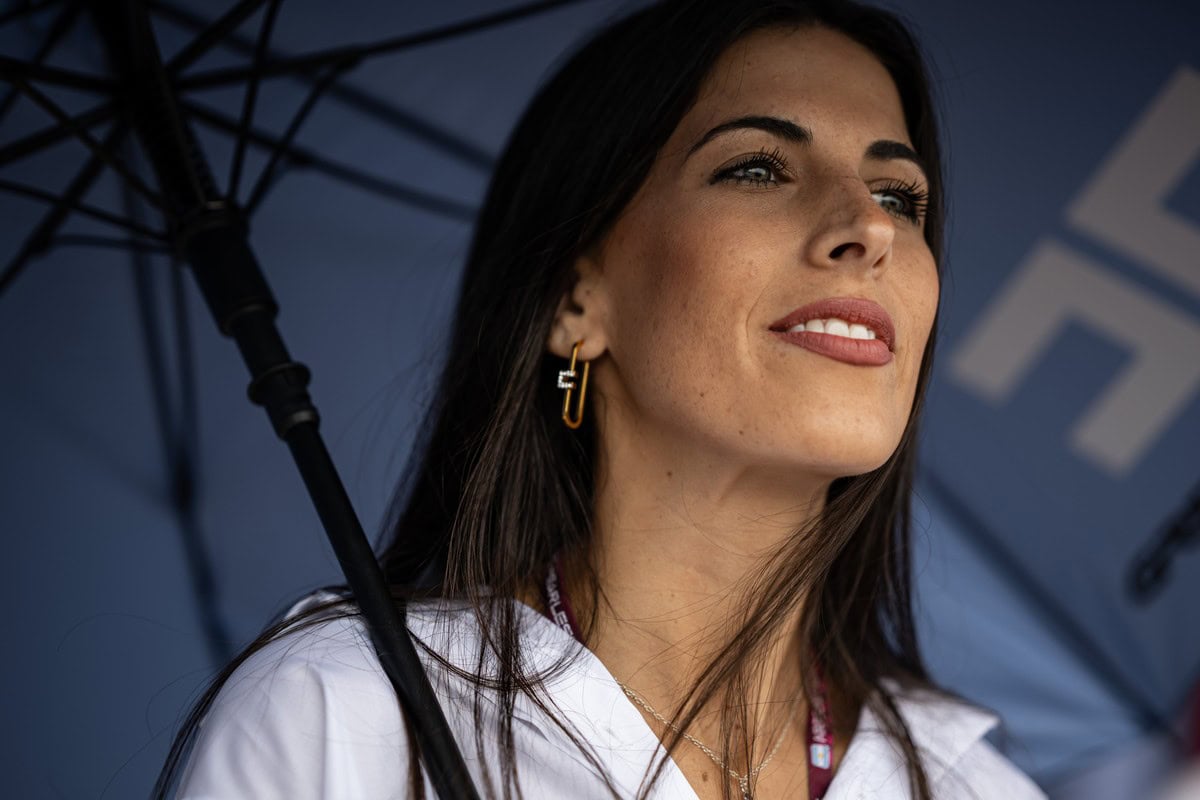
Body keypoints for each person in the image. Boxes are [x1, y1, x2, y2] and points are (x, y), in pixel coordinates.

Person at [158, 1, 1047, 798]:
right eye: (758, 169)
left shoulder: (978, 790)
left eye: (900, 193)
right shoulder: (352, 712)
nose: (871, 226)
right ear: (577, 304)